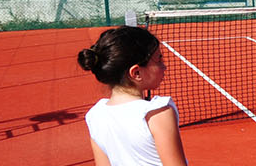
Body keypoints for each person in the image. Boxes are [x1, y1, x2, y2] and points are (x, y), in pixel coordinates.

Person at [78, 26, 188, 166]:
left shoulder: (94, 115)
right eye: (159, 60)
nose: (164, 66)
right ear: (136, 73)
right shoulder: (158, 112)